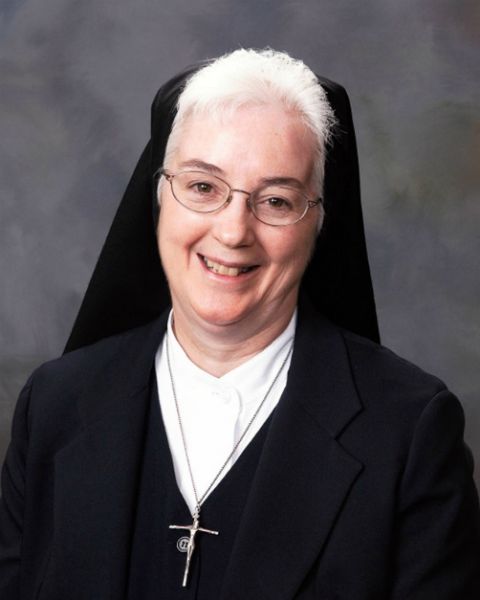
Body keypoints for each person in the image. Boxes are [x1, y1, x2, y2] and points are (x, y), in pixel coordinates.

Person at [0, 48, 479, 599]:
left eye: (276, 200)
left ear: (319, 223)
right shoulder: (54, 405)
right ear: (159, 196)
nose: (233, 232)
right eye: (203, 187)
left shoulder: (411, 434)